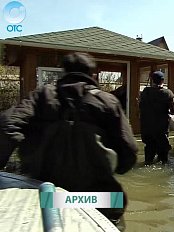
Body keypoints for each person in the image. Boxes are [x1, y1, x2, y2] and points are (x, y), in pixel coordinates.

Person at [0, 52, 137, 227]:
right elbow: (130, 152)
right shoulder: (108, 101)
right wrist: (114, 166)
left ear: (63, 72)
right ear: (92, 75)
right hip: (102, 199)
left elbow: (6, 125)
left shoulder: (41, 96)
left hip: (49, 197)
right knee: (116, 204)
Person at [139, 71, 174, 165]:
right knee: (164, 160)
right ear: (163, 80)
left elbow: (140, 106)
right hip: (161, 130)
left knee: (148, 159)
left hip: (147, 129)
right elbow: (173, 111)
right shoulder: (168, 93)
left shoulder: (145, 92)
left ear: (152, 80)